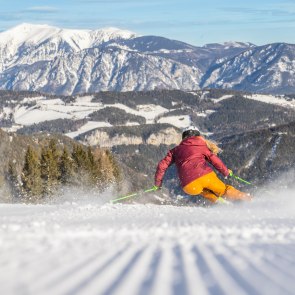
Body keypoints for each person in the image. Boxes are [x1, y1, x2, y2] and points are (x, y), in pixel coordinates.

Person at [154, 126, 252, 203]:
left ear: (183, 137)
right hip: (205, 176)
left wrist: (158, 184)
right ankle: (249, 200)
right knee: (224, 190)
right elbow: (215, 161)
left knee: (203, 191)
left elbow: (161, 166)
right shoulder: (202, 146)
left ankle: (218, 202)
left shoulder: (174, 151)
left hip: (188, 186)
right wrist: (226, 172)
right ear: (198, 136)